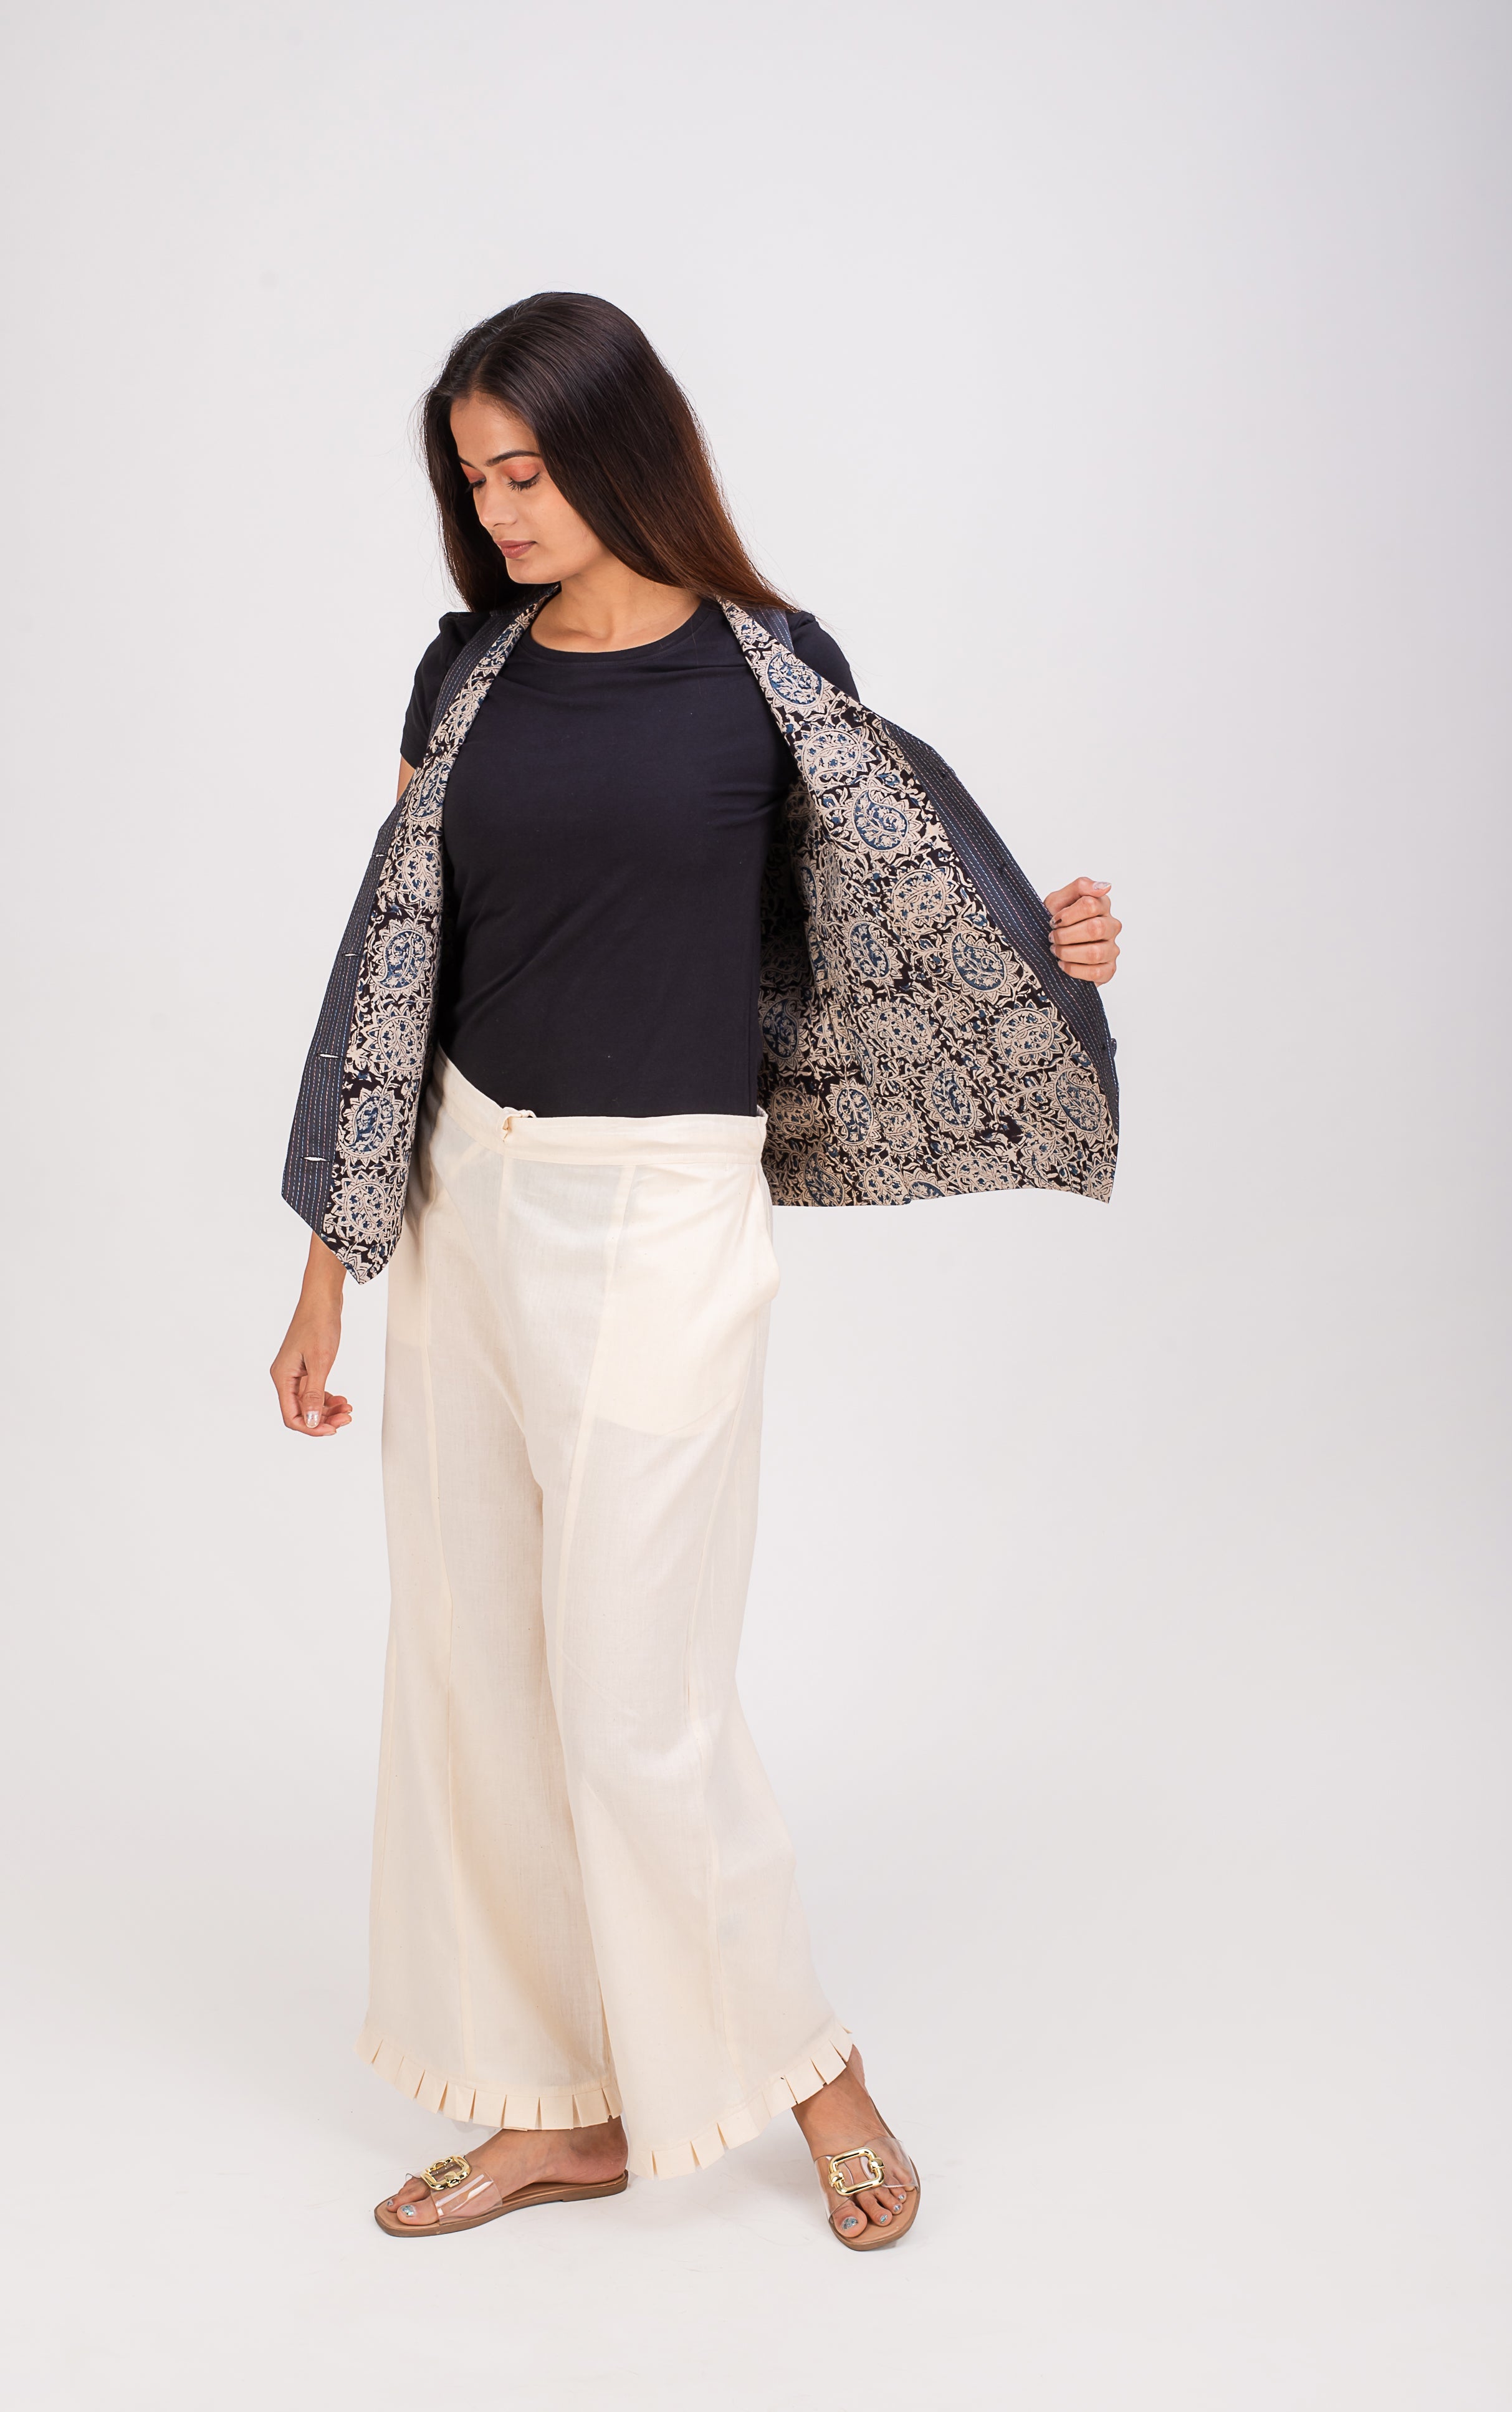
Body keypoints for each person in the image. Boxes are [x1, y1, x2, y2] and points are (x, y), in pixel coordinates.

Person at [270, 292, 1121, 2251]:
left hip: (662, 1211)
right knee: (480, 1675)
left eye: (527, 471)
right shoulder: (463, 679)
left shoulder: (773, 670)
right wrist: (329, 1261)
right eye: (474, 479)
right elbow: (392, 965)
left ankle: (813, 2070)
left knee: (633, 1694)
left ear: (619, 450)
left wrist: (1048, 948)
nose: (498, 512)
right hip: (468, 1199)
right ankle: (552, 2103)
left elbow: (905, 904)